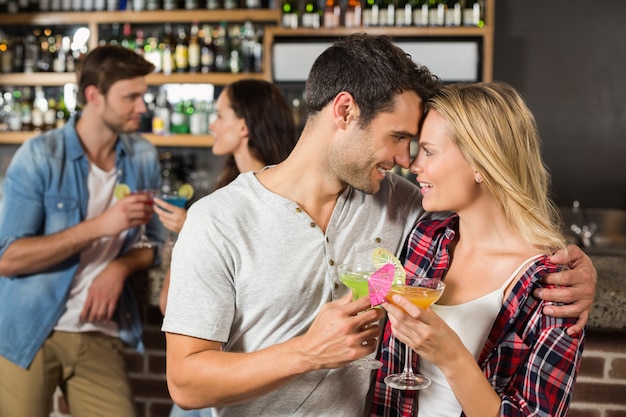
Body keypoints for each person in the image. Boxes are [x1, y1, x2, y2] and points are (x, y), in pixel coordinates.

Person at [162, 34, 596, 417]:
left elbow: (492, 223)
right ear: (346, 111)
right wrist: (307, 353)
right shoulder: (217, 220)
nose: (407, 160)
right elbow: (185, 383)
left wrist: (576, 270)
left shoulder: (404, 207)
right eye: (399, 138)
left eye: (418, 145)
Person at [372, 82, 585, 417]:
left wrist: (452, 357)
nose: (413, 165)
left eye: (428, 151)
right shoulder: (425, 237)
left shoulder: (554, 289)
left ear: (480, 164)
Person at [0, 45, 163, 417]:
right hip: (31, 330)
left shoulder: (141, 156)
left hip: (98, 330)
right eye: (131, 97)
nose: (142, 107)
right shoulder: (39, 155)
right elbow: (7, 259)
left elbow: (152, 242)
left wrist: (119, 267)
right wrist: (100, 227)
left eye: (144, 96)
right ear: (94, 96)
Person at [155, 79, 297, 417]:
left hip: (245, 381)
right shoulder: (219, 199)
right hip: (212, 372)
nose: (211, 125)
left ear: (244, 126)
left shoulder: (265, 206)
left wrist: (192, 230)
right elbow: (169, 305)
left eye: (219, 115)